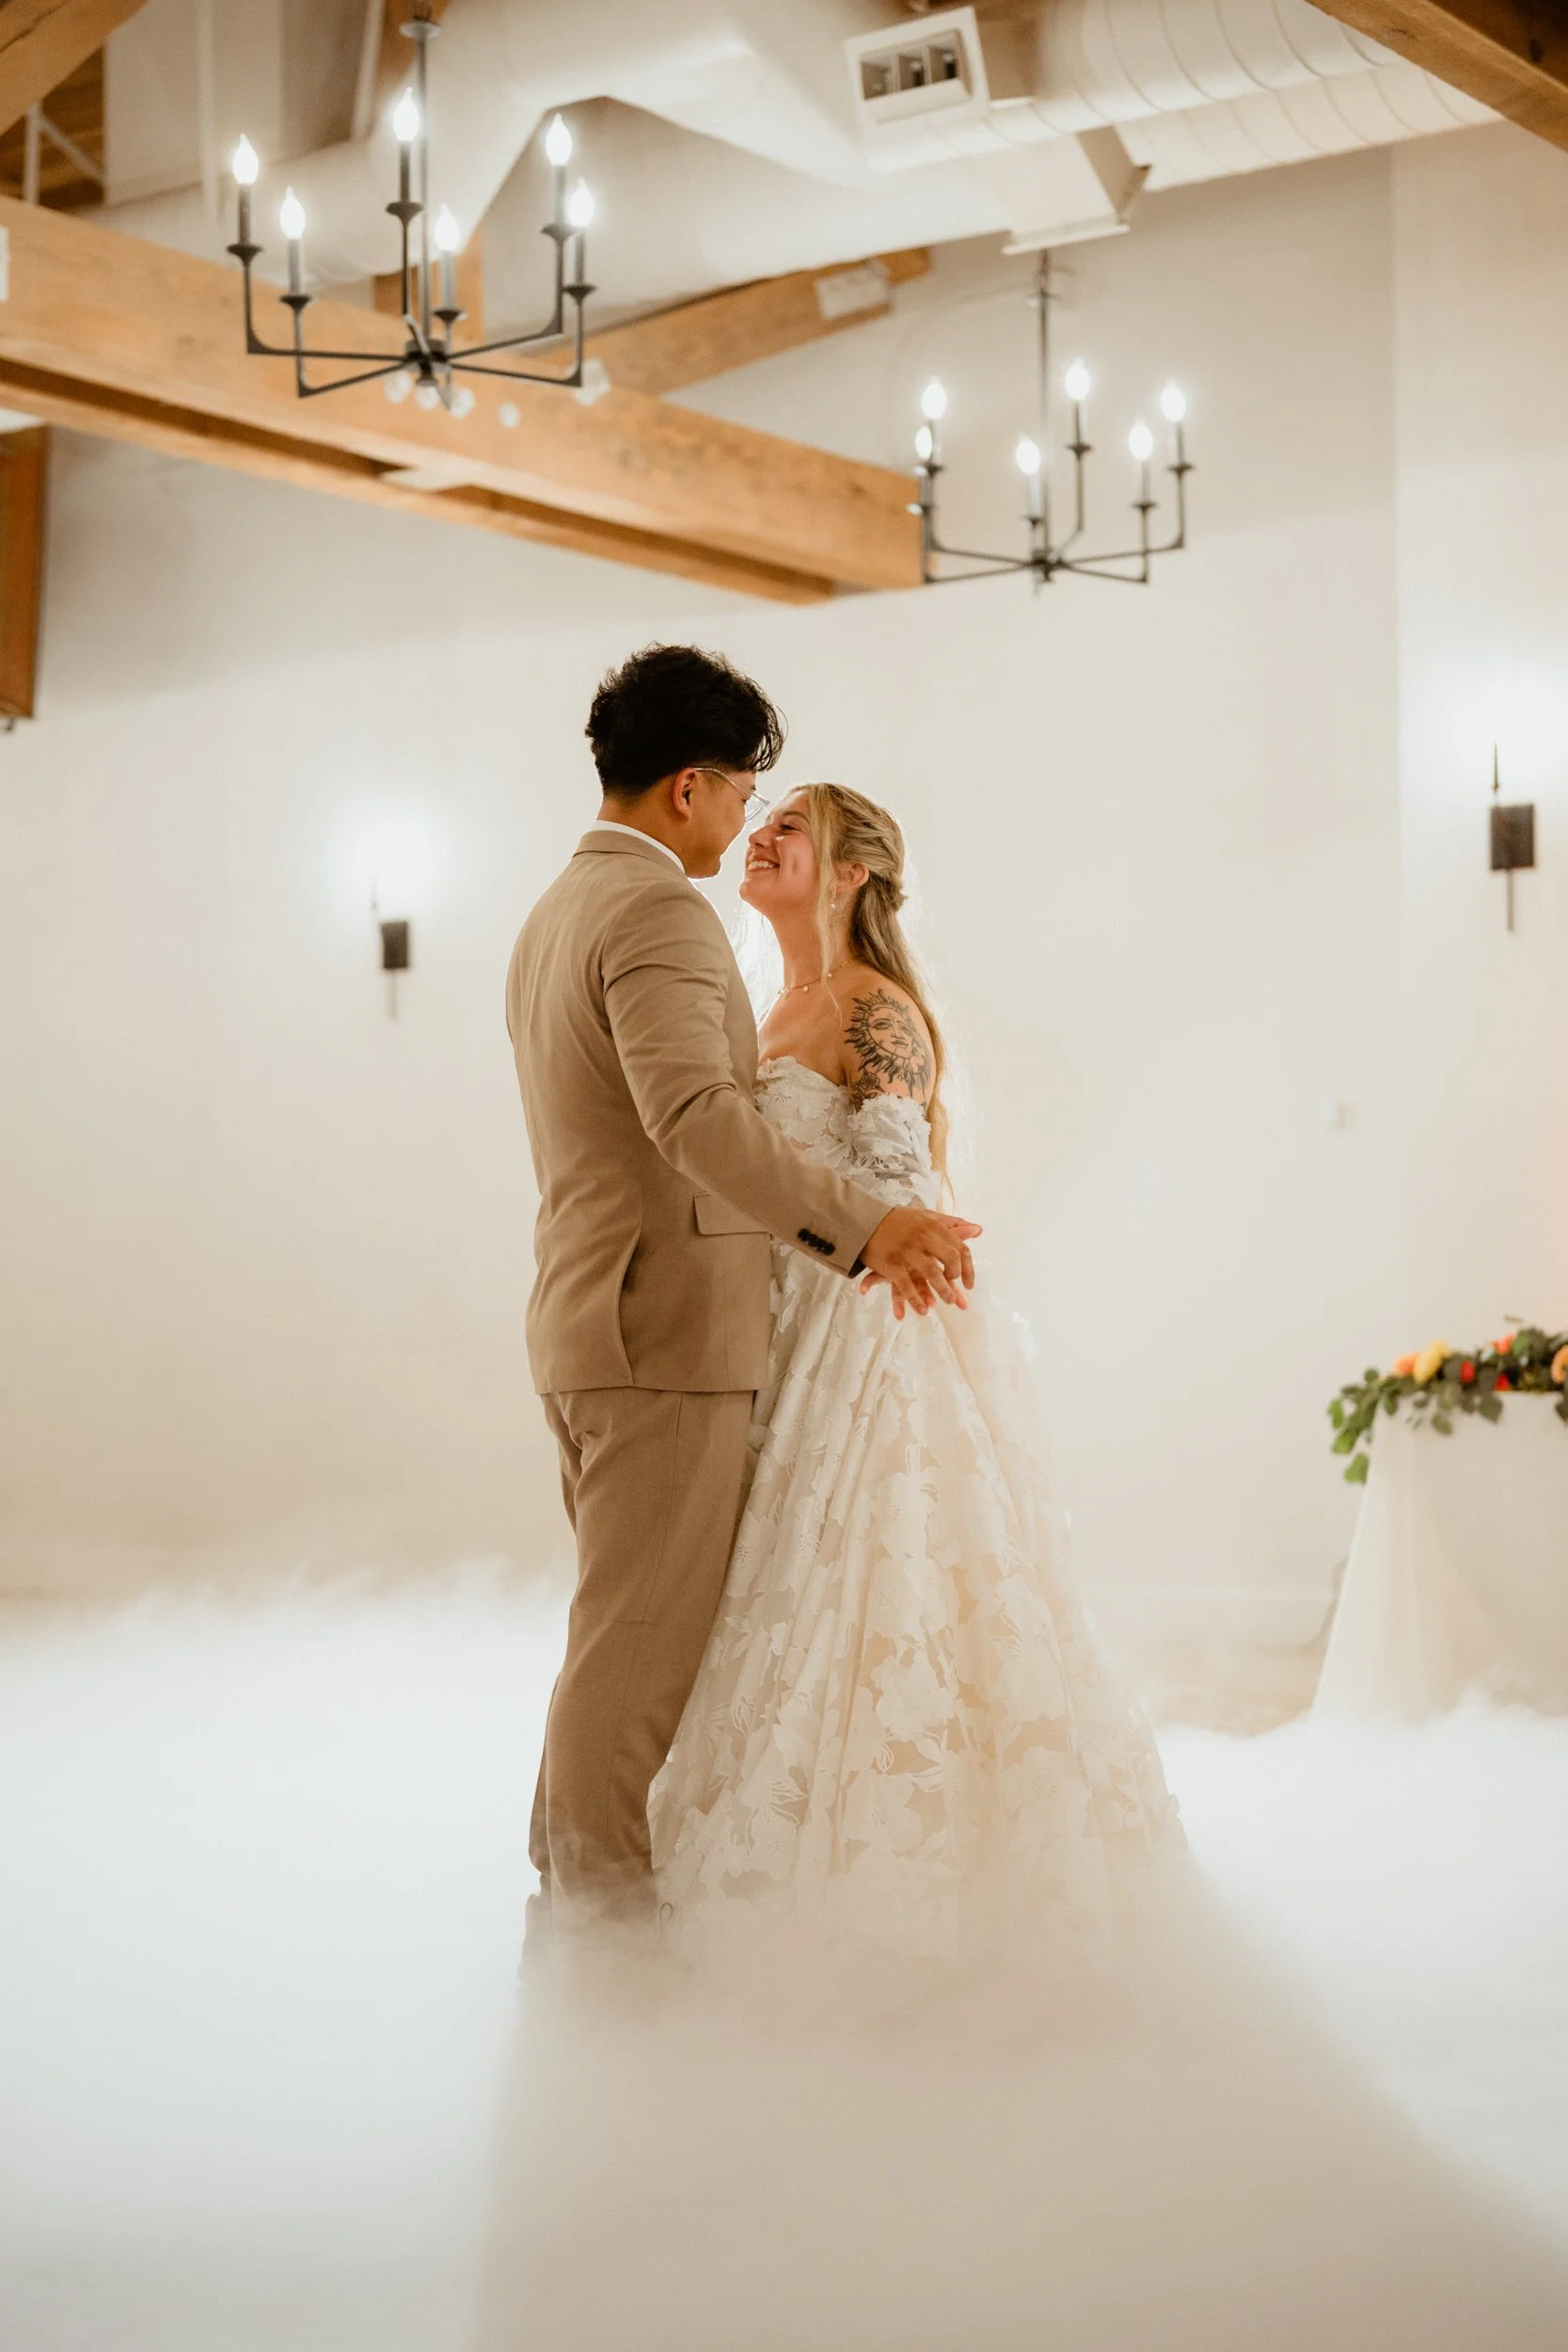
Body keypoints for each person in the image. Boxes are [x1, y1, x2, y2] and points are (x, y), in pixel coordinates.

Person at [505, 648, 982, 1941]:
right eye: (740, 795)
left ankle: (574, 1895)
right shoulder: (655, 913)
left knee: (619, 1632)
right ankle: (602, 1935)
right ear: (686, 789)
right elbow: (694, 1118)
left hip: (600, 1316)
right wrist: (865, 1226)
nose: (743, 822)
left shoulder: (556, 908)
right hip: (659, 1331)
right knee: (637, 1648)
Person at [651, 782, 1177, 1953]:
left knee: (869, 1590)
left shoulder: (869, 1007)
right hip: (771, 1326)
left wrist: (858, 1258)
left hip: (867, 1339)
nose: (763, 835)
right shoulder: (767, 1003)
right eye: (764, 816)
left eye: (794, 826)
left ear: (850, 874)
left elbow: (898, 1190)